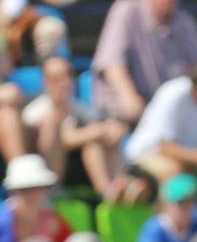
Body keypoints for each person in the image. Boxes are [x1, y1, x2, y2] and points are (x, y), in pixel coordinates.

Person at [92, 0, 197, 124]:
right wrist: (129, 98)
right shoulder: (126, 10)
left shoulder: (186, 22)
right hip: (123, 113)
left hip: (169, 116)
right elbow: (112, 63)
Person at [122, 59, 197, 195]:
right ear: (196, 84)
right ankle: (168, 214)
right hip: (146, 156)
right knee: (174, 173)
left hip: (195, 162)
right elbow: (165, 148)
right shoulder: (173, 93)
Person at [22, 55, 131, 201]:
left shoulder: (81, 108)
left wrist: (113, 131)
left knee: (97, 143)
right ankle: (52, 191)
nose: (64, 83)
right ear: (45, 82)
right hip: (47, 170)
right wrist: (96, 131)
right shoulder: (34, 112)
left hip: (81, 171)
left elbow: (101, 130)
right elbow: (63, 140)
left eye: (69, 75)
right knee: (63, 128)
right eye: (56, 79)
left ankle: (116, 191)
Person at [0, 153, 69, 242]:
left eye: (38, 187)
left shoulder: (56, 222)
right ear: (12, 191)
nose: (31, 195)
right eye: (24, 189)